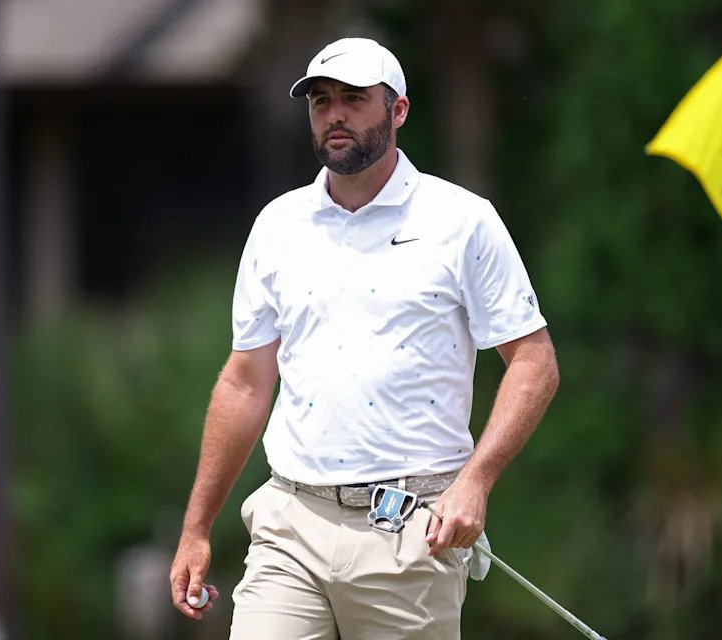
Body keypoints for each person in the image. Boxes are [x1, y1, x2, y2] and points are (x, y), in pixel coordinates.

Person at [169, 37, 559, 639]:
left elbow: (533, 363)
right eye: (322, 102)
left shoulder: (462, 220)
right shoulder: (278, 226)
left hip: (411, 532)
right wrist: (197, 527)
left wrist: (475, 482)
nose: (335, 116)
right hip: (290, 524)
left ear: (397, 110)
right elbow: (246, 383)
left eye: (354, 99)